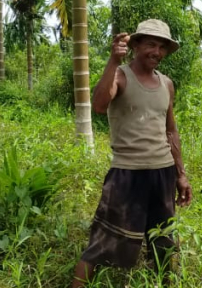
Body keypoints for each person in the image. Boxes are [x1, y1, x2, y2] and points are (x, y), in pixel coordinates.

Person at [72, 19, 193, 287]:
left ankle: (162, 283)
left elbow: (171, 131)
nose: (157, 52)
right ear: (135, 45)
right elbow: (100, 105)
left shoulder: (167, 84)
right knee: (102, 243)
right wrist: (113, 61)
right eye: (151, 44)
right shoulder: (120, 76)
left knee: (163, 243)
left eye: (162, 47)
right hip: (127, 174)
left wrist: (180, 175)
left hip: (162, 173)